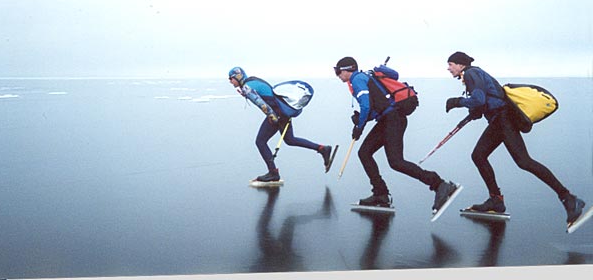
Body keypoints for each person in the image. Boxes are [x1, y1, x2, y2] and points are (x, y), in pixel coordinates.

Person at [445, 51, 585, 225]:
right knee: (480, 156)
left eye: (450, 64)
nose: (448, 68)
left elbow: (479, 99)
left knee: (523, 161)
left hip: (503, 120)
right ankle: (496, 200)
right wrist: (474, 112)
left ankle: (568, 198)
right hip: (500, 120)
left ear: (460, 64)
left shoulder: (471, 73)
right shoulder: (474, 74)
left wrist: (457, 102)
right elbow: (485, 101)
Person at [334, 57, 461, 216]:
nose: (337, 75)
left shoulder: (357, 79)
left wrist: (360, 126)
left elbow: (366, 105)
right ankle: (381, 194)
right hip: (390, 119)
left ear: (347, 70)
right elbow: (376, 106)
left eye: (338, 71)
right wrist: (361, 118)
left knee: (396, 162)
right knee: (364, 153)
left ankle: (440, 184)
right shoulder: (362, 78)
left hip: (392, 120)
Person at [228, 67, 334, 182]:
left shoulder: (247, 87)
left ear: (238, 77)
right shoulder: (252, 81)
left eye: (231, 78)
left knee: (260, 142)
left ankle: (273, 173)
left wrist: (272, 117)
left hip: (276, 113)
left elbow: (261, 104)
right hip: (283, 110)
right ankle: (322, 149)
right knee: (290, 140)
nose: (230, 81)